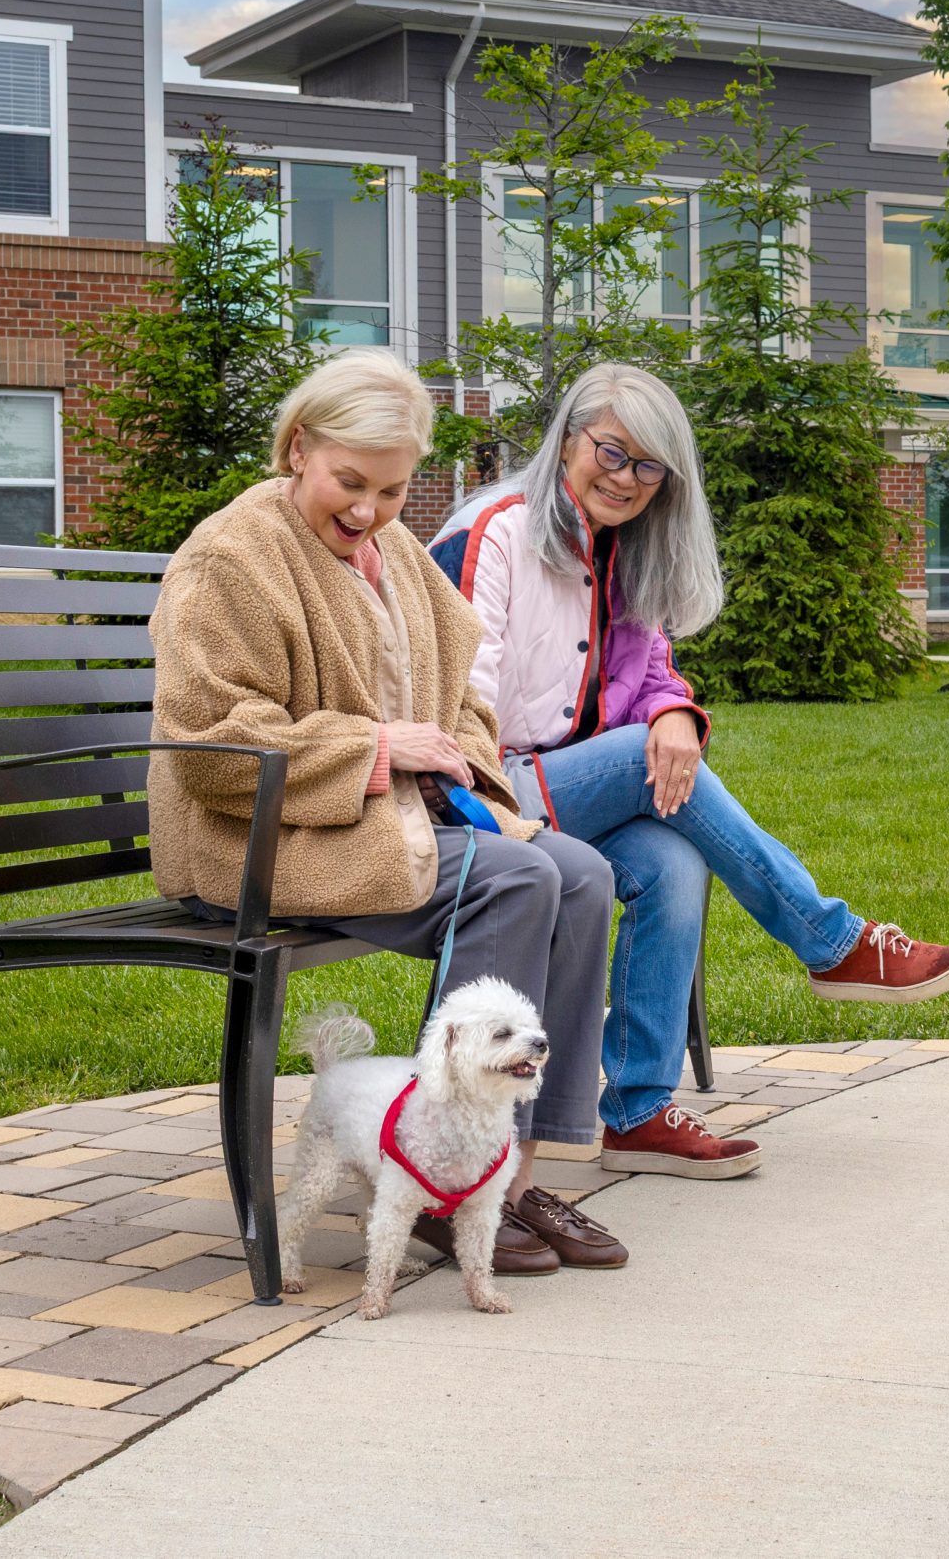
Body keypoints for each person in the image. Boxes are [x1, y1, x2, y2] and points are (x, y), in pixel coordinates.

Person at [148, 348, 626, 1275]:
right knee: (521, 878)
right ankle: (444, 1176)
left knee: (582, 873)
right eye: (349, 482)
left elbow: (463, 693)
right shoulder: (229, 556)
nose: (368, 510)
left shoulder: (393, 554)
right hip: (255, 843)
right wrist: (375, 749)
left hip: (367, 821)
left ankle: (513, 1171)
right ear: (298, 449)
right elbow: (212, 742)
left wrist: (455, 759)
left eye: (395, 491)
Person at [432, 363, 949, 1181]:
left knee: (674, 861)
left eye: (650, 467)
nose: (626, 478)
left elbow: (652, 673)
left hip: (562, 789)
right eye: (612, 452)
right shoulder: (497, 532)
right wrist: (637, 740)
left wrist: (677, 712)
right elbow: (454, 705)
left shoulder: (624, 548)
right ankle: (832, 941)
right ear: (569, 437)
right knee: (644, 765)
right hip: (478, 795)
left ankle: (640, 1110)